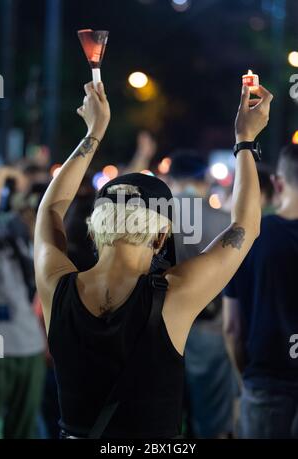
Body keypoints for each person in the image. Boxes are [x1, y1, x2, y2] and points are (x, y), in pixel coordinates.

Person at [34, 81, 272, 438]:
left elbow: (50, 209)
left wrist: (93, 132)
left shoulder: (57, 285)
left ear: (97, 227)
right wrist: (244, 138)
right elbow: (246, 225)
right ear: (161, 237)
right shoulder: (174, 295)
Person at [223, 144, 298, 439]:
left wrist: (246, 381)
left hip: (265, 380)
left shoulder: (252, 236)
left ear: (278, 182)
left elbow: (231, 328)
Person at [168, 152, 237, 438]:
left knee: (164, 421)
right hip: (210, 329)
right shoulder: (223, 221)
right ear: (204, 179)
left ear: (172, 179)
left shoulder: (155, 216)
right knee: (212, 423)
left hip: (163, 329)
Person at [0, 168, 46, 439]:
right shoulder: (8, 234)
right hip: (2, 346)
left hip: (29, 347)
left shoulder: (35, 244)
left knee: (24, 428)